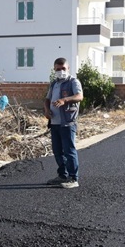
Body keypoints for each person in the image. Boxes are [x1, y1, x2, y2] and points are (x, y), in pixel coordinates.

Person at [44, 58, 83, 189]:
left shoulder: (73, 82)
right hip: (54, 122)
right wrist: (46, 110)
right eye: (58, 69)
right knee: (57, 151)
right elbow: (47, 99)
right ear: (54, 70)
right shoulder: (54, 83)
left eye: (63, 69)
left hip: (67, 122)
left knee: (69, 150)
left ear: (68, 68)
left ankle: (73, 178)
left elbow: (79, 96)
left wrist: (64, 100)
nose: (61, 71)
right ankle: (62, 175)